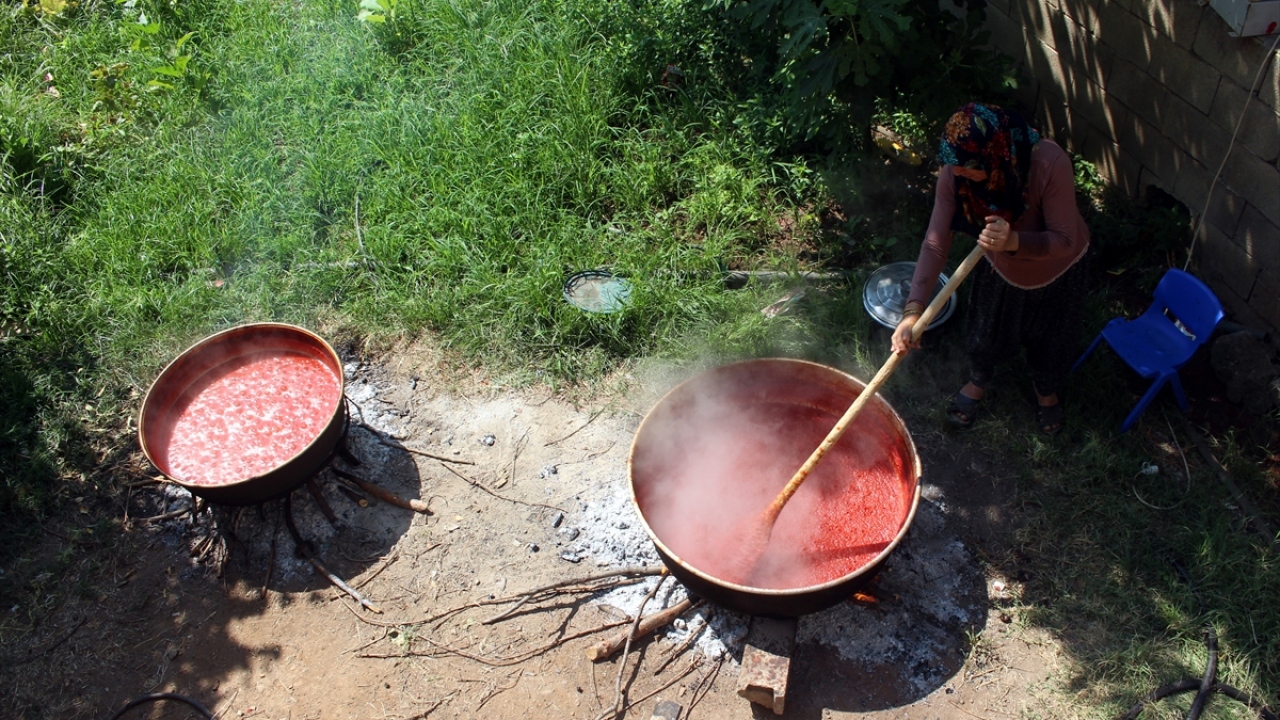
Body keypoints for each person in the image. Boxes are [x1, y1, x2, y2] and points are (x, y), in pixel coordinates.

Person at [890, 102, 1090, 434]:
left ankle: (1046, 392)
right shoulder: (956, 170)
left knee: (1052, 340)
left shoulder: (1048, 163)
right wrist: (913, 311)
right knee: (986, 334)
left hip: (1058, 271)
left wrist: (1014, 242)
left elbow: (1065, 239)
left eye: (967, 167)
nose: (956, 174)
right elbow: (935, 243)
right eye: (952, 166)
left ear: (994, 154)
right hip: (1001, 267)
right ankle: (978, 382)